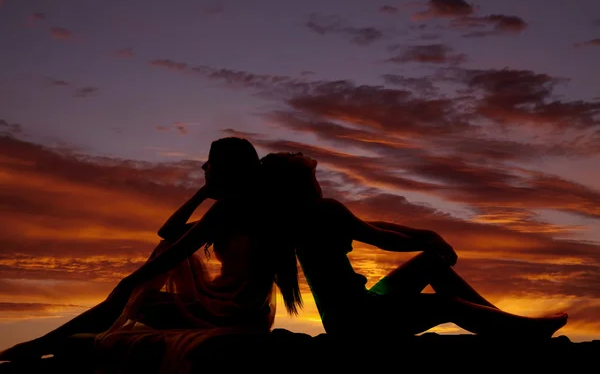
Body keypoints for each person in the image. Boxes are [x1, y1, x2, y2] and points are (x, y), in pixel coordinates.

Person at [0, 138, 302, 373]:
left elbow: (174, 252)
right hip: (243, 310)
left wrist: (128, 283)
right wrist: (202, 193)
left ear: (224, 167)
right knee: (146, 281)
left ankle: (41, 344)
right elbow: (168, 232)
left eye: (208, 163)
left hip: (229, 310)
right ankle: (46, 344)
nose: (202, 169)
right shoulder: (241, 209)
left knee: (141, 294)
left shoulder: (229, 210)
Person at [258, 152, 568, 341]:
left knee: (432, 263)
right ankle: (524, 332)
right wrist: (426, 238)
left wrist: (427, 234)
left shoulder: (308, 216)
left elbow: (373, 225)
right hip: (362, 321)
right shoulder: (323, 211)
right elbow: (384, 239)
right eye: (307, 169)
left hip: (357, 313)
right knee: (447, 304)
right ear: (299, 181)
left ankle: (504, 322)